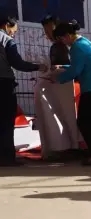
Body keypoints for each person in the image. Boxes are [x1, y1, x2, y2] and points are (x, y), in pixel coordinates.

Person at [53, 20, 91, 166]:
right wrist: (63, 66)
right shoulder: (84, 42)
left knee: (85, 122)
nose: (62, 43)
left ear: (67, 35)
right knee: (90, 122)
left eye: (61, 39)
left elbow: (75, 70)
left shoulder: (76, 47)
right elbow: (80, 64)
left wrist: (58, 79)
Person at [0, 16, 46, 166]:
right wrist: (38, 67)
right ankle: (6, 158)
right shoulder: (6, 40)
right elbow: (17, 63)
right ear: (7, 25)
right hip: (4, 85)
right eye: (14, 30)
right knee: (6, 121)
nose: (14, 33)